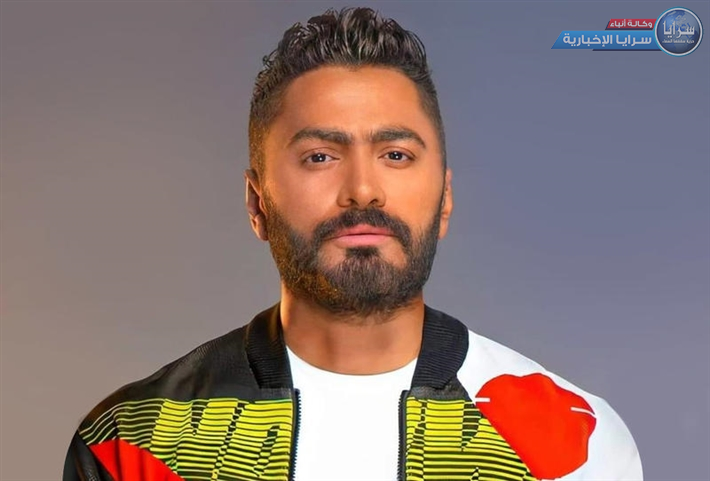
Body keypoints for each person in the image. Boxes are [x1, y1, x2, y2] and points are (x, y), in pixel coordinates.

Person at [63, 7, 642, 481]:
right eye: (320, 156)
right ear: (257, 202)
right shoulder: (133, 443)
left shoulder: (576, 441)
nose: (363, 189)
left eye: (396, 155)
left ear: (444, 197)